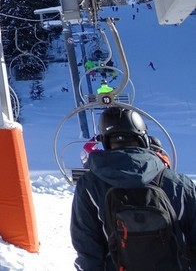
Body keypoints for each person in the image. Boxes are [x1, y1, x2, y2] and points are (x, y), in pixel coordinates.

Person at [70, 107, 196, 270]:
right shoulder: (179, 184)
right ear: (144, 139)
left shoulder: (89, 186)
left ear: (106, 141)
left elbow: (86, 246)